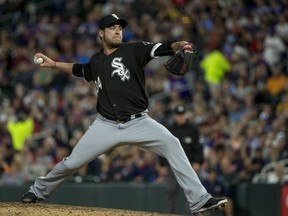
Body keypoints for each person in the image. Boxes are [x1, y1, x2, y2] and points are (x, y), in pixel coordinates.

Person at [21, 14, 227, 215]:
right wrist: (55, 64)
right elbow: (80, 70)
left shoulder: (134, 49)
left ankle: (200, 200)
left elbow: (163, 47)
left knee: (172, 143)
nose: (118, 30)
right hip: (105, 125)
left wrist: (180, 45)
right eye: (112, 28)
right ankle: (38, 191)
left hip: (139, 122)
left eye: (120, 27)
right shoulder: (96, 61)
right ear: (101, 33)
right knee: (71, 163)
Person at [165, 105, 204, 214]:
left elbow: (199, 147)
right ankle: (169, 214)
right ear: (174, 116)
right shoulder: (170, 129)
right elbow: (163, 146)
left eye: (182, 115)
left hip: (189, 165)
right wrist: (162, 163)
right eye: (178, 115)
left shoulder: (193, 129)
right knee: (172, 191)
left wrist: (198, 161)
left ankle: (190, 214)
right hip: (173, 164)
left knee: (191, 191)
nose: (181, 117)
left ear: (186, 115)